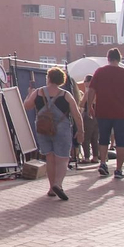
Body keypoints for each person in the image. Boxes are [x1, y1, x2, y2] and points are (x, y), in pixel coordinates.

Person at [24, 67, 82, 201]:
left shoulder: (38, 92)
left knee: (50, 157)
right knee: (62, 158)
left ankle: (51, 188)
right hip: (62, 129)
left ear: (48, 78)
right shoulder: (66, 95)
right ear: (61, 80)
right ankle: (58, 184)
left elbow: (27, 106)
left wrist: (29, 93)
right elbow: (76, 115)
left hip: (43, 128)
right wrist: (80, 130)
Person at [88, 49, 124, 179]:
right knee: (122, 142)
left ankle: (103, 163)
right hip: (122, 113)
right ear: (120, 58)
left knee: (104, 139)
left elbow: (91, 90)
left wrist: (89, 106)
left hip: (103, 111)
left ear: (108, 58)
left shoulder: (100, 72)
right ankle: (118, 169)